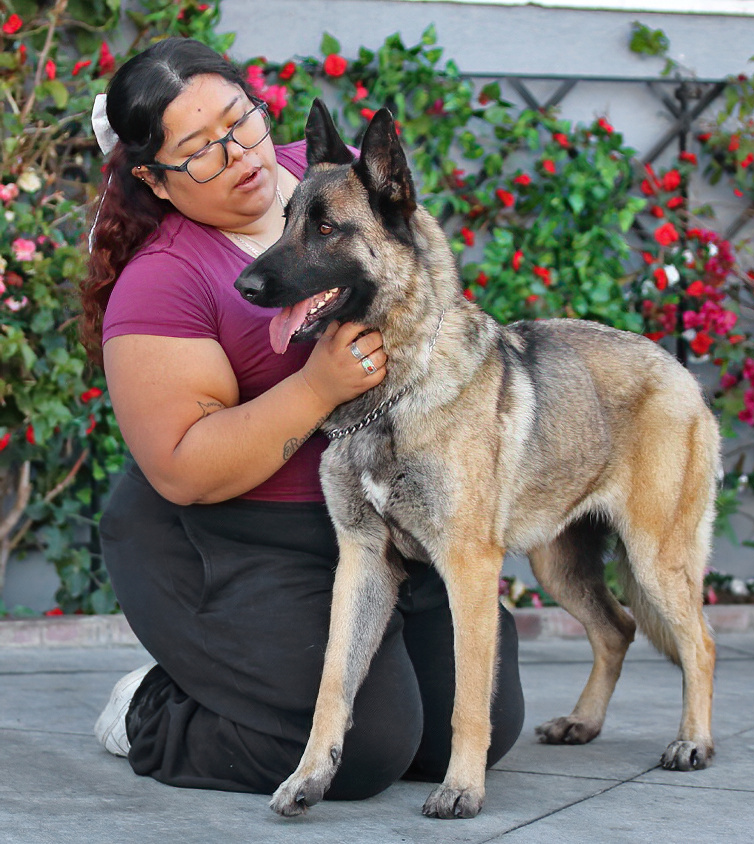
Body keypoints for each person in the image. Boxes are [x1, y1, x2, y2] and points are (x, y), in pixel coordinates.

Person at [82, 37, 524, 800]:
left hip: (374, 513)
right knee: (367, 751)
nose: (239, 155)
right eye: (200, 150)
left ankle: (263, 679)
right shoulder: (163, 282)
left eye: (239, 120)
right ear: (154, 177)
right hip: (231, 537)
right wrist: (317, 387)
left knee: (475, 727)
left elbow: (416, 275)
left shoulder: (328, 177)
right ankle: (150, 708)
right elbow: (183, 468)